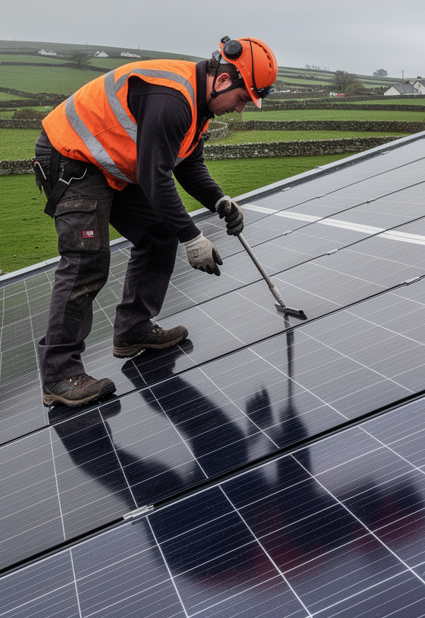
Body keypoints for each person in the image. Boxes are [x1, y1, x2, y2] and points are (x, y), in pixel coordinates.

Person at [33, 36, 278, 407]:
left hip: (110, 163)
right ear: (224, 80)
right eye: (243, 99)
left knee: (158, 234)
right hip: (72, 158)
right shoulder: (172, 99)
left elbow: (189, 165)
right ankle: (59, 374)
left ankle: (133, 331)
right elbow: (155, 176)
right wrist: (192, 237)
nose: (240, 109)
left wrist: (218, 200)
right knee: (87, 258)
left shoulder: (199, 108)